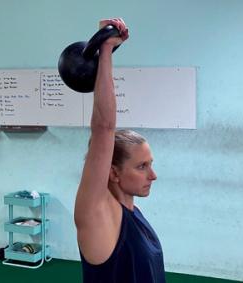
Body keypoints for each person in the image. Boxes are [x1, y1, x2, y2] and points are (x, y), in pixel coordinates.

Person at [74, 18, 166, 283]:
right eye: (142, 166)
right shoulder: (98, 215)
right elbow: (104, 127)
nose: (153, 175)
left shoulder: (134, 213)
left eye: (150, 164)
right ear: (113, 172)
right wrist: (105, 49)